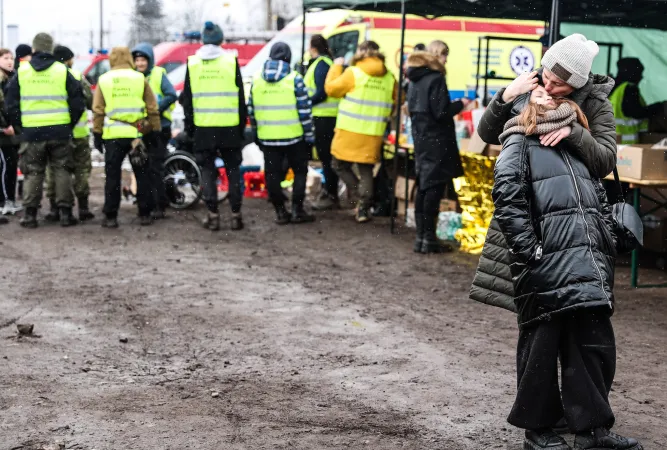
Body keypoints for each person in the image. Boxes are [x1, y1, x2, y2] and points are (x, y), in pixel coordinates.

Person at [493, 86, 642, 450]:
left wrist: (605, 236)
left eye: (554, 95)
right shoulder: (518, 142)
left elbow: (598, 197)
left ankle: (593, 430)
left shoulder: (576, 140)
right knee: (541, 351)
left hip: (588, 262)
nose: (547, 97)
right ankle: (539, 429)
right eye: (539, 95)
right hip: (545, 266)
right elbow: (507, 200)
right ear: (525, 105)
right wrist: (531, 252)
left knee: (594, 347)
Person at [471, 34, 617, 321]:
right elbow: (487, 134)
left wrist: (574, 133)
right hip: (532, 213)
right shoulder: (529, 86)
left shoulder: (596, 104)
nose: (548, 87)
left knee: (577, 306)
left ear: (577, 83)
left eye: (558, 84)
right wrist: (506, 95)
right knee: (536, 308)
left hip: (576, 219)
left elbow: (605, 161)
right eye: (546, 76)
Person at [5, 33, 85, 228]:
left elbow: (10, 105)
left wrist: (20, 126)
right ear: (50, 49)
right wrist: (69, 124)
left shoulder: (22, 72)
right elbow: (78, 102)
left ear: (33, 49)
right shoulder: (62, 70)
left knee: (34, 172)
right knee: (62, 170)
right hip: (60, 131)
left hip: (32, 133)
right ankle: (65, 213)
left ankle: (30, 215)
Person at [180, 21, 246, 231]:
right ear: (221, 40)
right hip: (229, 127)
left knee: (207, 171)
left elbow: (188, 101)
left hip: (203, 128)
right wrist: (241, 126)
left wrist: (190, 127)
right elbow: (241, 97)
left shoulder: (193, 63)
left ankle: (213, 215)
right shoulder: (230, 62)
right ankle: (236, 216)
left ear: (202, 40)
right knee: (233, 170)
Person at [325, 41, 397, 223]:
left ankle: (358, 194)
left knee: (338, 164)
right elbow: (399, 99)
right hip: (373, 133)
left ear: (361, 52)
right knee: (366, 170)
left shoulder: (353, 72)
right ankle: (364, 208)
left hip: (349, 130)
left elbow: (331, 89)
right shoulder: (389, 77)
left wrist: (336, 66)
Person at [406, 47, 469, 254]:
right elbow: (441, 112)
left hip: (421, 138)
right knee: (433, 187)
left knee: (424, 186)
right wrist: (461, 104)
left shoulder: (414, 79)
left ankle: (421, 238)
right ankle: (429, 239)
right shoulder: (435, 78)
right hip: (437, 140)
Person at [92, 46, 160, 228]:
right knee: (142, 173)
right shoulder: (140, 78)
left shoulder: (104, 80)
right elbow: (152, 108)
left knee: (113, 176)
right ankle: (145, 213)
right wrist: (154, 130)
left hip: (113, 136)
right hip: (136, 135)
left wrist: (97, 134)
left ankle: (111, 216)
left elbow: (98, 110)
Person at [248, 42, 316, 225]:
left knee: (272, 175)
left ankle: (280, 212)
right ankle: (297, 210)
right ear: (287, 58)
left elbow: (252, 111)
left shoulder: (256, 80)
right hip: (294, 137)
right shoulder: (295, 79)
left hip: (268, 137)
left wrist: (257, 133)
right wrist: (309, 135)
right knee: (300, 172)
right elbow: (305, 111)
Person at [43, 45, 95, 222]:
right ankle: (83, 208)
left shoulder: (46, 77)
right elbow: (91, 102)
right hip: (78, 133)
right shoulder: (76, 76)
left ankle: (54, 209)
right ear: (68, 60)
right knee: (81, 169)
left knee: (55, 170)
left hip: (55, 133)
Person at [132, 42, 178, 219]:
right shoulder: (133, 77)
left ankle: (160, 204)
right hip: (141, 127)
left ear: (150, 60)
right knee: (142, 166)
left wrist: (155, 108)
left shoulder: (158, 74)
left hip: (159, 126)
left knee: (156, 168)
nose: (140, 63)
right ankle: (147, 202)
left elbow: (171, 95)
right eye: (137, 60)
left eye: (143, 59)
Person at [305, 35, 340, 211]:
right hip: (329, 116)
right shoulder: (327, 63)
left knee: (326, 158)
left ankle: (331, 194)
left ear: (313, 48)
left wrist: (305, 102)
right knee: (328, 158)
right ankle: (331, 192)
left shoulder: (320, 65)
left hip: (324, 117)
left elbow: (321, 92)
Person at [608, 57, 664, 145]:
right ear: (632, 73)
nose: (641, 77)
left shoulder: (611, 87)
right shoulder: (629, 88)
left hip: (610, 139)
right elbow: (636, 113)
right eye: (639, 73)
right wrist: (658, 107)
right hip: (625, 143)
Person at [0, 48, 22, 216]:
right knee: (6, 165)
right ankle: (5, 201)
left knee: (12, 164)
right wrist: (4, 127)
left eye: (11, 58)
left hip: (12, 131)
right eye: (6, 58)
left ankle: (10, 200)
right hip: (3, 132)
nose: (10, 61)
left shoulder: (13, 78)